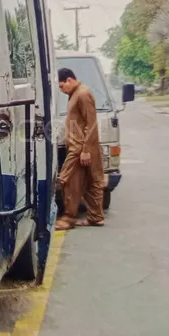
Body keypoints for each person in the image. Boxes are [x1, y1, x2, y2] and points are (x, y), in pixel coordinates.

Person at [55, 67, 105, 230]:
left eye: (61, 86)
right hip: (80, 146)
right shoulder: (75, 94)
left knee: (68, 180)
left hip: (80, 148)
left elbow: (91, 124)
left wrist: (85, 150)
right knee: (91, 182)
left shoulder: (82, 94)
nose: (61, 90)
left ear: (69, 80)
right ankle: (96, 218)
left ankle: (69, 218)